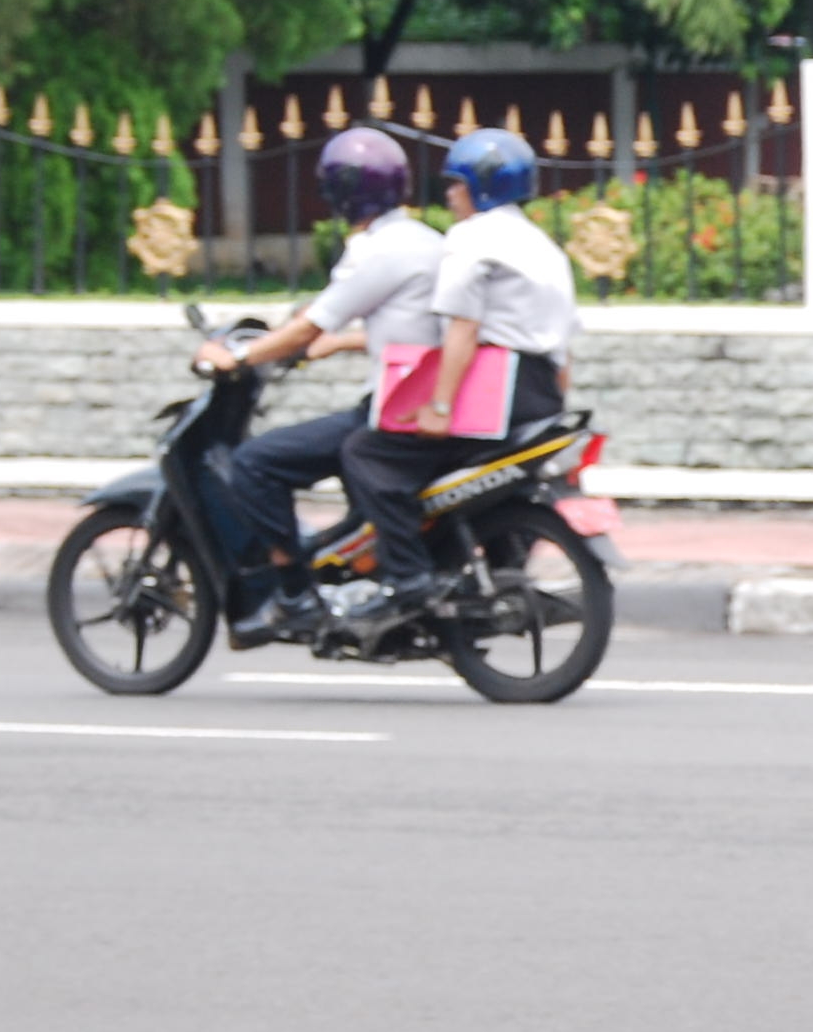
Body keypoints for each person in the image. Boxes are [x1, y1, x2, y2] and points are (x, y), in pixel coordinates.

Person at [191, 125, 443, 647]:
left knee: (256, 462)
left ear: (343, 194)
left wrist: (237, 355)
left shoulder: (380, 250)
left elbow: (310, 326)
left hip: (395, 408)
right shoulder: (419, 240)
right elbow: (399, 326)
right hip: (420, 394)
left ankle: (294, 591)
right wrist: (341, 342)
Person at [337, 126, 579, 627]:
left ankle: (407, 580)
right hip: (542, 397)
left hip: (498, 391)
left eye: (455, 185)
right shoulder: (544, 248)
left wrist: (440, 406)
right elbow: (564, 350)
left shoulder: (471, 239)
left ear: (479, 186)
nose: (448, 196)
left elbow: (462, 331)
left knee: (367, 452)